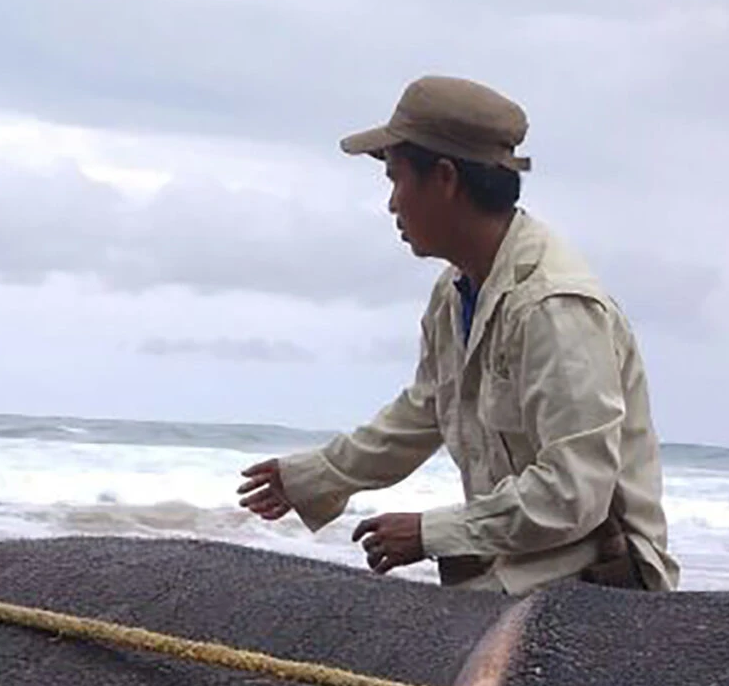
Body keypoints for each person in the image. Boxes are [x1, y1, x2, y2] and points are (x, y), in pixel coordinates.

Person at [239, 76, 676, 593]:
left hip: (599, 581)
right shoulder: (456, 289)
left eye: (396, 179)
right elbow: (424, 410)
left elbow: (573, 492)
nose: (392, 204)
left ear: (445, 179)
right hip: (517, 564)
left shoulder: (554, 307)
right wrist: (314, 476)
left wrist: (430, 533)